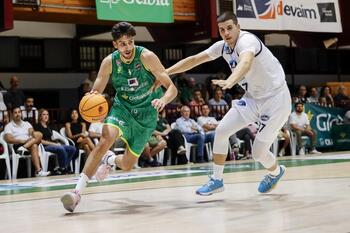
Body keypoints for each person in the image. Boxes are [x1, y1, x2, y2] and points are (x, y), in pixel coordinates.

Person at [166, 11, 291, 195]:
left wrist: (231, 81)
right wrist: (165, 72)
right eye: (222, 29)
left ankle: (275, 172)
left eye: (230, 28)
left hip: (276, 100)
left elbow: (246, 62)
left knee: (258, 153)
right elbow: (194, 60)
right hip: (252, 98)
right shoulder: (222, 47)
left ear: (238, 27)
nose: (226, 33)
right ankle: (217, 180)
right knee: (222, 130)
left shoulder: (247, 41)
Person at [60, 22, 177, 212]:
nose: (128, 47)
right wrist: (91, 99)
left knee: (127, 165)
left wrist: (163, 99)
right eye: (122, 43)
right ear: (115, 45)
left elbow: (172, 88)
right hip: (122, 109)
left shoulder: (147, 57)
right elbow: (96, 90)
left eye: (130, 42)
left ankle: (110, 160)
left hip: (146, 115)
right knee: (104, 140)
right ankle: (76, 193)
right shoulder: (109, 62)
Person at [4, 107, 50, 177]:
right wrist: (22, 141)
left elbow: (32, 132)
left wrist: (33, 134)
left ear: (21, 113)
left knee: (39, 135)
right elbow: (9, 139)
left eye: (19, 112)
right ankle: (38, 171)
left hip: (28, 143)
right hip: (17, 144)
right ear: (12, 114)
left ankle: (38, 171)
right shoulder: (9, 126)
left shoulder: (26, 124)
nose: (17, 114)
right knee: (34, 144)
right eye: (15, 112)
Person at [34, 109, 76, 175]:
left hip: (53, 144)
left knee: (72, 148)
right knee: (61, 148)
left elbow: (53, 137)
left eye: (47, 114)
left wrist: (57, 143)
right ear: (40, 116)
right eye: (44, 114)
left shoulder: (49, 127)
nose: (46, 116)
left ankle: (63, 168)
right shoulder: (37, 126)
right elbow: (40, 141)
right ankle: (63, 168)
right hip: (44, 146)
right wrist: (55, 144)